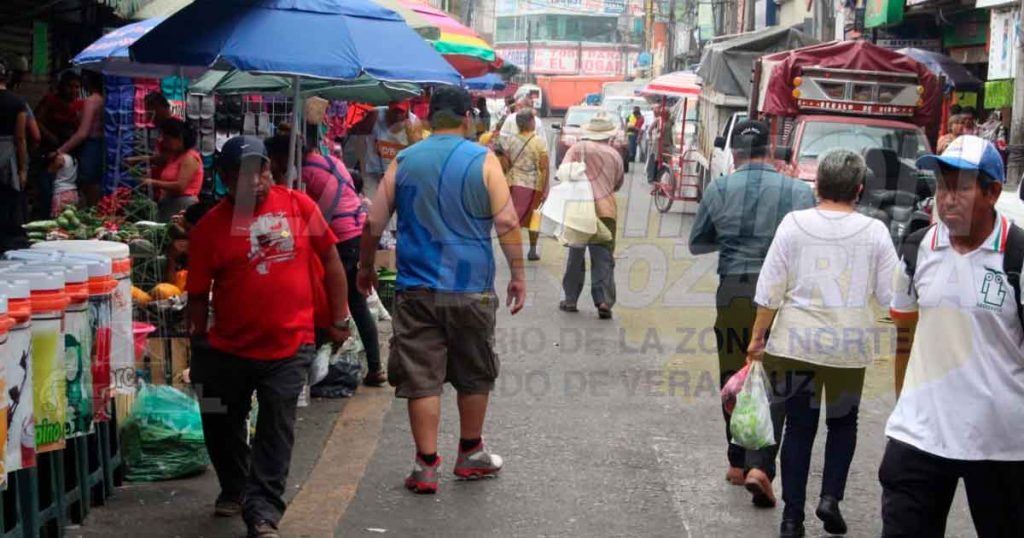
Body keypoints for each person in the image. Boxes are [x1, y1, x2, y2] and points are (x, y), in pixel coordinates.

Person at [356, 86, 526, 495]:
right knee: (474, 371)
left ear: (429, 119)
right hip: (471, 288)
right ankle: (470, 453)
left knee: (421, 376)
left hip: (417, 288)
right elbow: (506, 222)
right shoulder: (482, 159)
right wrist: (518, 274)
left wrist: (365, 268)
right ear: (467, 117)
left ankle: (425, 465)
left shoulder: (406, 160)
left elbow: (373, 223)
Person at [186, 136, 350, 538]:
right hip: (227, 347)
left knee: (277, 425)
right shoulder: (208, 229)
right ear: (224, 179)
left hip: (290, 345)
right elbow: (195, 295)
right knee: (219, 420)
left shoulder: (299, 205)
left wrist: (341, 317)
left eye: (260, 170)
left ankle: (262, 513)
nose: (256, 180)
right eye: (243, 174)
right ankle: (235, 484)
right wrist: (196, 342)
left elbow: (330, 260)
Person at [746, 149, 898, 538]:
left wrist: (757, 336)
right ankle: (830, 498)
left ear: (817, 185)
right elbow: (889, 294)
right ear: (859, 190)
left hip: (795, 343)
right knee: (843, 424)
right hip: (848, 347)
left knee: (799, 427)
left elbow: (770, 288)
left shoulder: (794, 224)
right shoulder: (876, 231)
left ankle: (792, 518)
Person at [881, 135, 1024, 537]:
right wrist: (905, 404)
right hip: (920, 436)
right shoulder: (916, 251)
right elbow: (904, 338)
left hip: (1001, 443)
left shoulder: (1017, 257)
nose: (948, 198)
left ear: (992, 192)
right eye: (943, 185)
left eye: (961, 187)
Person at [688, 120, 815, 504]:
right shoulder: (797, 190)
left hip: (734, 291)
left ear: (736, 154)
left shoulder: (719, 188)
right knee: (775, 377)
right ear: (771, 150)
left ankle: (736, 461)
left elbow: (698, 242)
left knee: (734, 374)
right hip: (780, 296)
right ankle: (762, 466)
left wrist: (730, 238)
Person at [266, 128, 385, 387]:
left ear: (281, 157)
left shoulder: (306, 175)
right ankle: (372, 367)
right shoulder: (332, 161)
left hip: (342, 240)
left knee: (330, 299)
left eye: (272, 159)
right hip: (355, 234)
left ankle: (314, 366)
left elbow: (315, 218)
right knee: (351, 301)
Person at [559, 115, 625, 319]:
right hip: (606, 211)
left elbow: (562, 172)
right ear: (608, 136)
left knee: (576, 257)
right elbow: (617, 183)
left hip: (580, 210)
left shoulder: (578, 149)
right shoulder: (614, 155)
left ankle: (570, 300)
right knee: (603, 257)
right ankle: (603, 301)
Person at [497, 110, 549, 261]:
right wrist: (545, 187)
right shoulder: (539, 141)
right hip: (534, 185)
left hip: (513, 184)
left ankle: (514, 251)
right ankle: (532, 250)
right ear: (531, 122)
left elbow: (506, 165)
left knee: (515, 219)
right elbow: (544, 166)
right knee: (534, 218)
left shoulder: (510, 141)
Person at [140, 118, 203, 222]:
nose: (165, 143)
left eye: (168, 140)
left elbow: (180, 186)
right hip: (168, 202)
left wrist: (152, 182)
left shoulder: (190, 158)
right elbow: (157, 158)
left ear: (179, 139)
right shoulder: (174, 156)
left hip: (182, 204)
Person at [57, 70, 104, 205]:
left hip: (91, 147)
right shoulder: (105, 100)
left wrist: (60, 151)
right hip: (103, 146)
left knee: (90, 185)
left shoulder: (91, 101)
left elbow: (82, 133)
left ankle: (91, 214)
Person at [358, 102, 422, 199]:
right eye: (395, 111)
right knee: (371, 207)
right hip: (373, 173)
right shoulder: (375, 115)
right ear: (388, 108)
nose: (397, 115)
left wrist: (410, 135)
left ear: (407, 113)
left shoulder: (414, 123)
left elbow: (418, 153)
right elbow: (357, 136)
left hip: (398, 176)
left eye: (401, 112)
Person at [0, 58, 29, 253]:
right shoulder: (17, 102)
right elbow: (20, 138)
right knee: (8, 199)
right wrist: (22, 169)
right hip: (7, 155)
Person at [48, 151, 78, 216]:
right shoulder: (72, 158)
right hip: (73, 192)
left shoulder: (60, 158)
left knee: (59, 219)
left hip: (61, 193)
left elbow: (51, 170)